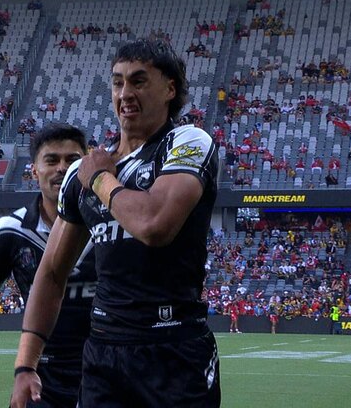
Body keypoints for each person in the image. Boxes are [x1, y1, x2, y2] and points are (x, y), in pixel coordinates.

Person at [11, 39, 220, 407]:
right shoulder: (84, 171)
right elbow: (52, 273)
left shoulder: (186, 142)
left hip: (173, 350)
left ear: (170, 88)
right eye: (118, 82)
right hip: (104, 353)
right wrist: (25, 366)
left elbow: (155, 224)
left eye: (139, 81)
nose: (125, 93)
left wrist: (101, 181)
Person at [0, 124, 96, 408]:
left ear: (87, 165)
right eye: (51, 160)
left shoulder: (112, 223)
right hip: (40, 375)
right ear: (34, 170)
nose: (62, 168)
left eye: (72, 160)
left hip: (108, 369)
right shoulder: (8, 231)